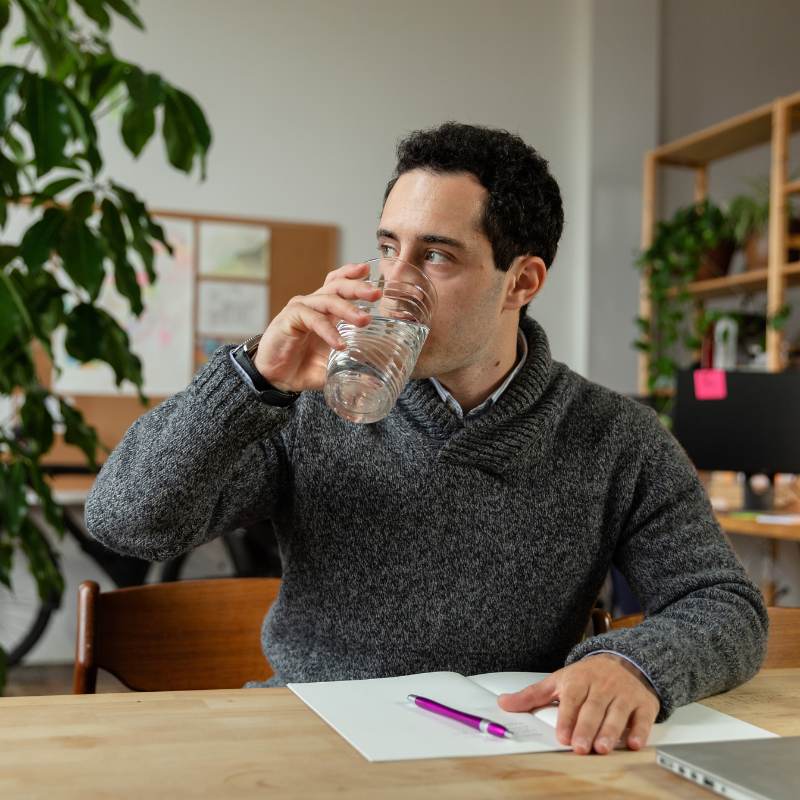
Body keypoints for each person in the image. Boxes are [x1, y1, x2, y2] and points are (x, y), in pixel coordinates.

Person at [85, 121, 767, 756]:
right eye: (387, 248)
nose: (394, 284)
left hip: (505, 748)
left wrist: (634, 664)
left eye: (435, 256)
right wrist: (250, 382)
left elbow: (723, 601)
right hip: (314, 739)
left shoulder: (615, 437)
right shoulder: (303, 405)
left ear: (521, 282)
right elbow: (124, 522)